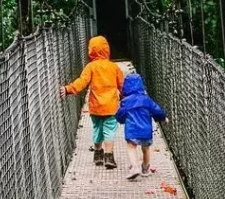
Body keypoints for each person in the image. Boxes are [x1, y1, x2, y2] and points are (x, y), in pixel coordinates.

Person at [60, 35, 124, 169]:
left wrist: (68, 89)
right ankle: (109, 157)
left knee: (97, 130)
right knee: (109, 131)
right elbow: (122, 86)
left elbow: (81, 82)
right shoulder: (114, 67)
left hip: (95, 107)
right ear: (107, 49)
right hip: (111, 107)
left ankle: (97, 154)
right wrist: (126, 98)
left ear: (91, 50)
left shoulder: (91, 67)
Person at [115, 72, 167, 180]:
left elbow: (121, 114)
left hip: (132, 130)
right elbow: (156, 110)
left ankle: (135, 167)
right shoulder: (147, 100)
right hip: (146, 130)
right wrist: (163, 117)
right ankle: (145, 168)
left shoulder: (126, 101)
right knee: (146, 148)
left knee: (131, 147)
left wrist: (120, 119)